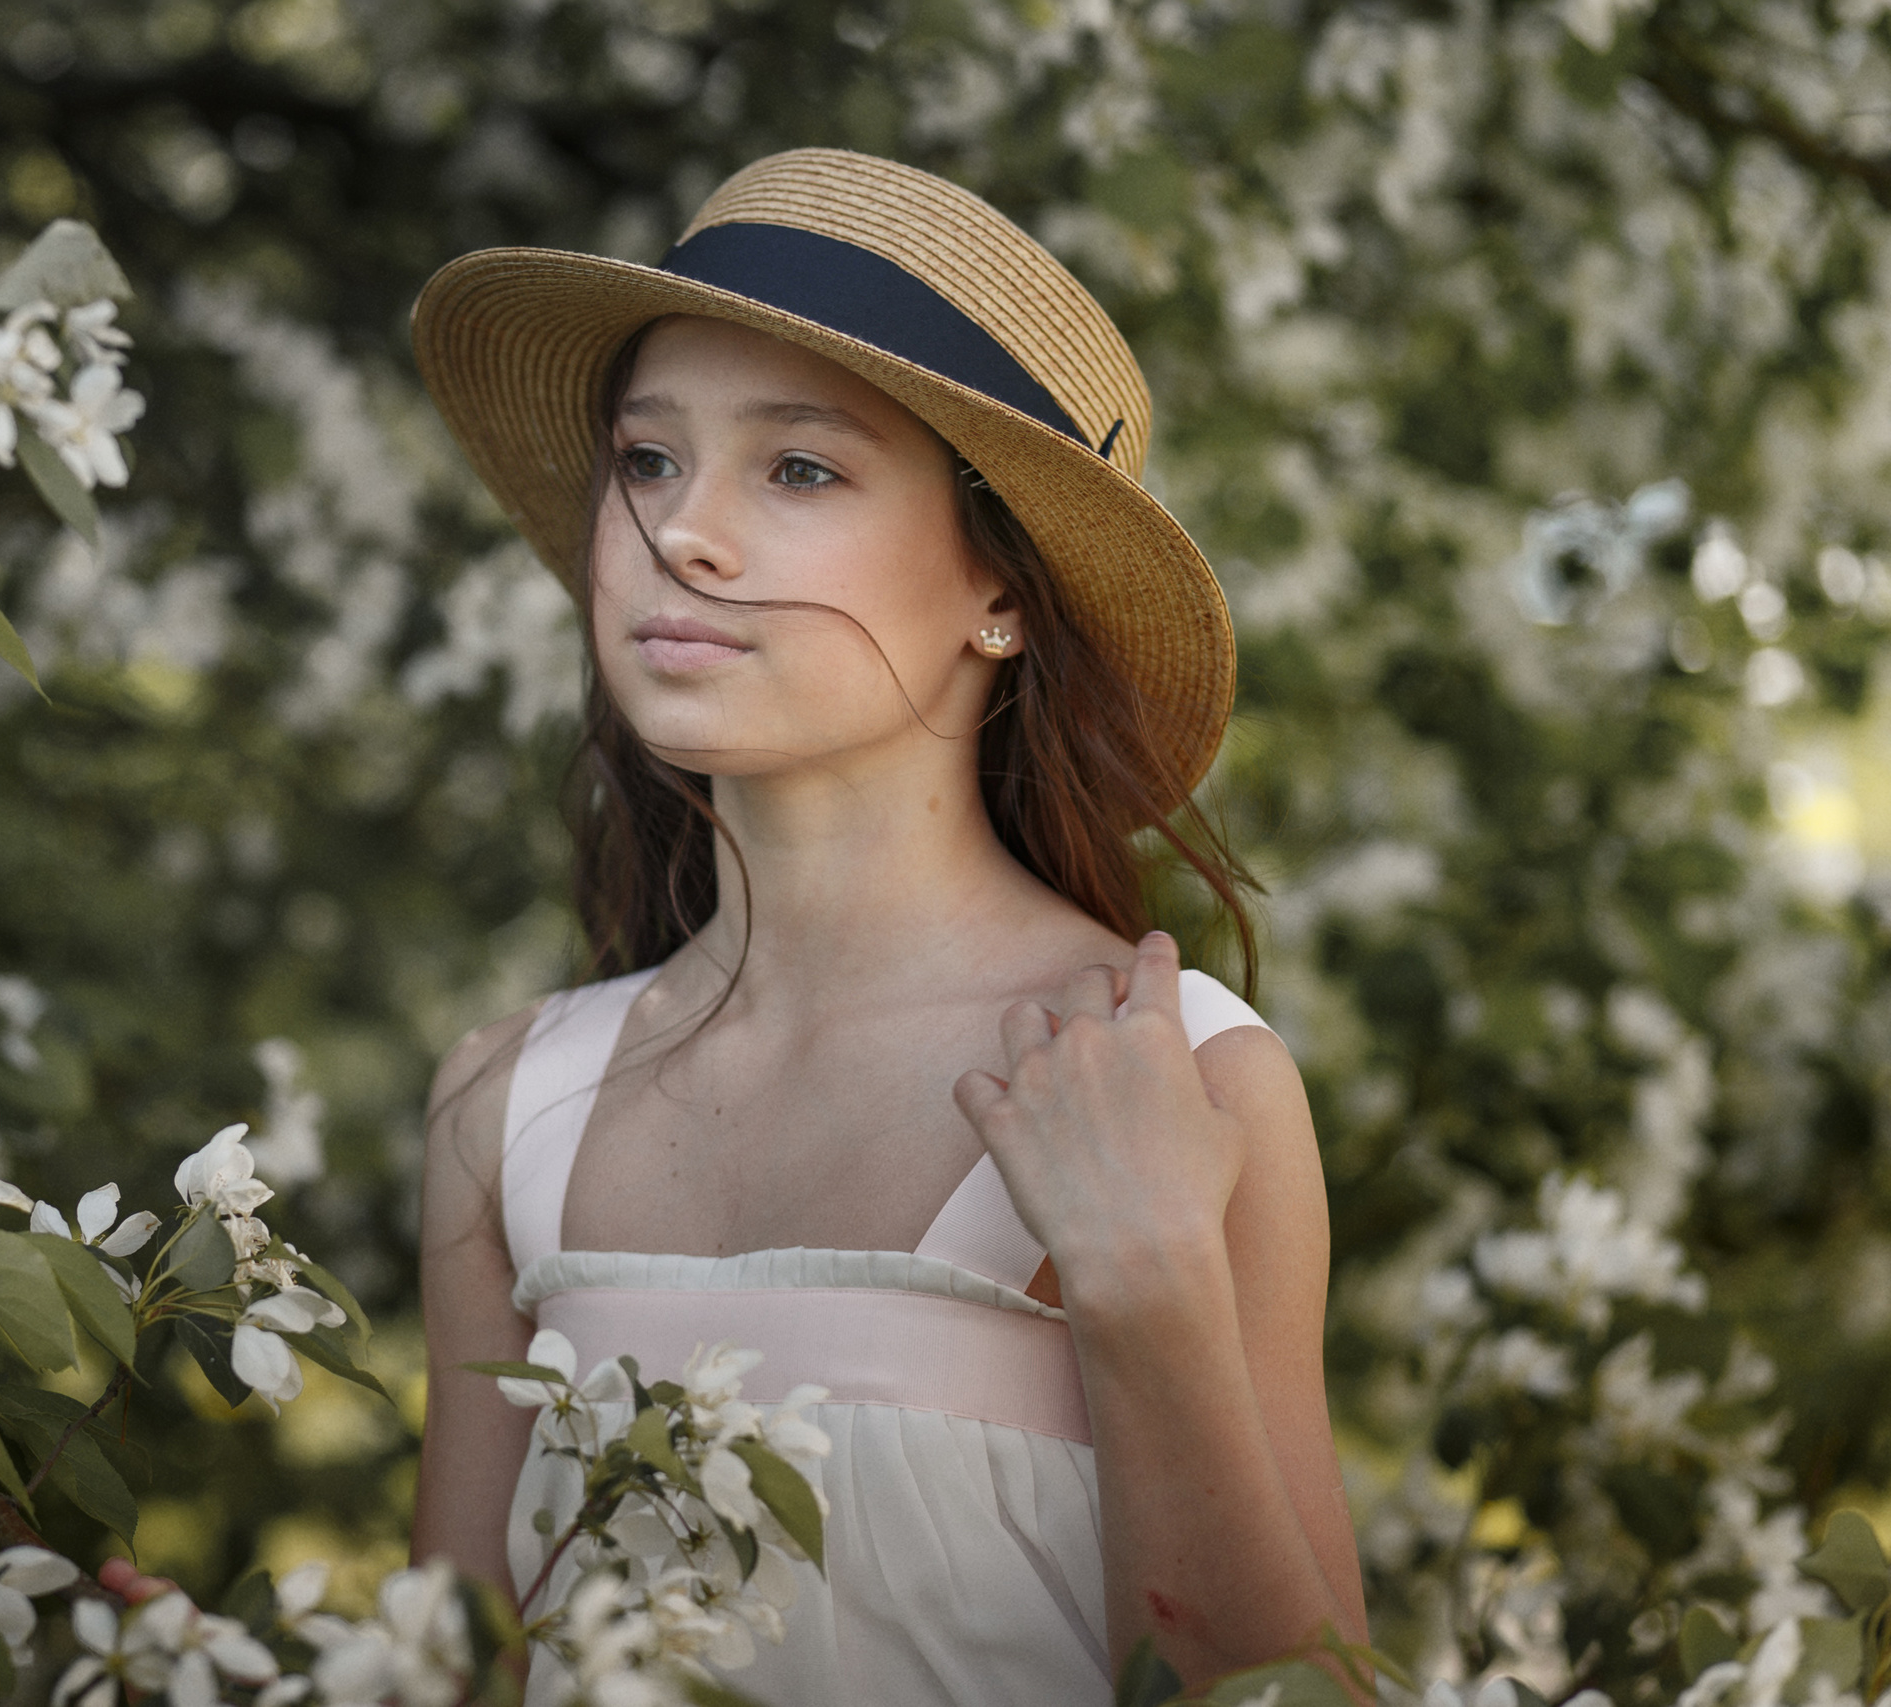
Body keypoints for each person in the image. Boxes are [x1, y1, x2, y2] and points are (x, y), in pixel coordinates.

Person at [405, 148, 1365, 1704]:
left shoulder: (1173, 1081)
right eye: (648, 461)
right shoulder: (507, 1110)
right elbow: (454, 1677)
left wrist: (1150, 1282)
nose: (681, 533)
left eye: (798, 470)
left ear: (1003, 587)